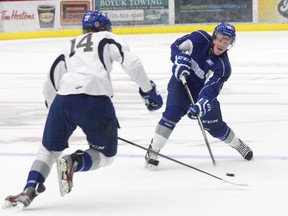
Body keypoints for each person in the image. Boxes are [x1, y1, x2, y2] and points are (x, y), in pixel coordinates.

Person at [3, 10, 163, 209]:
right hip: (95, 99)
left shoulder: (69, 45)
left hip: (63, 100)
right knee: (106, 155)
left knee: (48, 149)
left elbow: (50, 83)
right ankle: (75, 162)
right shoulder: (107, 37)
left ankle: (28, 189)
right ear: (104, 27)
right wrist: (148, 92)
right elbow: (132, 63)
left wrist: (56, 112)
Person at [145, 22, 253, 169]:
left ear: (230, 44)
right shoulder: (198, 37)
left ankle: (237, 144)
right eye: (220, 39)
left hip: (201, 96)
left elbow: (210, 89)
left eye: (226, 41)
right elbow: (175, 47)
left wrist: (201, 104)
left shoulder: (223, 67)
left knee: (216, 128)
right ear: (214, 37)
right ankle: (153, 150)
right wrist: (179, 60)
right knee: (171, 114)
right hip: (180, 84)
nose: (222, 44)